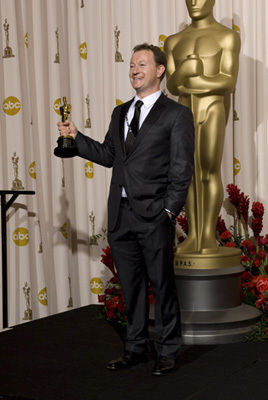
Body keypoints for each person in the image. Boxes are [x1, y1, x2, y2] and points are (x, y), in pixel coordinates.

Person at [57, 43, 194, 376]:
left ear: (159, 70)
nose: (134, 69)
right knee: (130, 286)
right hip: (119, 214)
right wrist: (76, 137)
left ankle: (168, 350)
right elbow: (108, 156)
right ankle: (134, 348)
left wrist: (169, 211)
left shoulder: (176, 114)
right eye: (132, 64)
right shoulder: (120, 113)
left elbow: (181, 168)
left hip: (154, 215)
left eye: (142, 64)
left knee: (162, 285)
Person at [164, 0, 241, 255]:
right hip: (183, 111)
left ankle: (207, 236)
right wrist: (185, 69)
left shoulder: (227, 37)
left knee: (208, 169)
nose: (194, 3)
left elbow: (228, 81)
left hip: (211, 108)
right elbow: (174, 86)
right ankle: (194, 235)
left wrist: (196, 80)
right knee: (186, 173)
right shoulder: (174, 41)